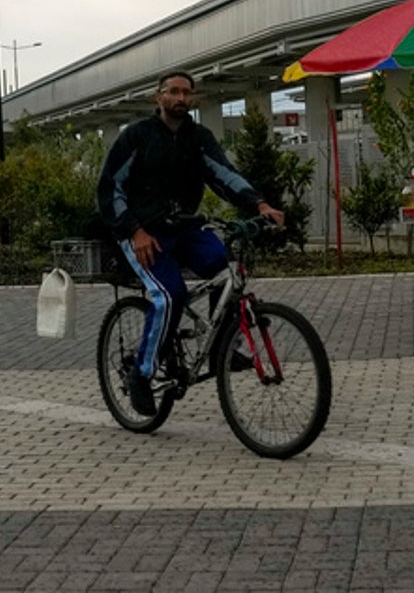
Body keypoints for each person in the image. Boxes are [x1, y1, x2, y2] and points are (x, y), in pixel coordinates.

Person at [96, 71, 286, 416]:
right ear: (159, 97)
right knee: (169, 295)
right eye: (174, 92)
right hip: (143, 233)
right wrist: (134, 230)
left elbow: (223, 173)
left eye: (187, 93)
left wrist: (259, 204)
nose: (181, 98)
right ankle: (142, 374)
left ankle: (220, 350)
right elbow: (109, 189)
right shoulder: (136, 137)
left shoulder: (198, 138)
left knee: (225, 272)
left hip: (186, 228)